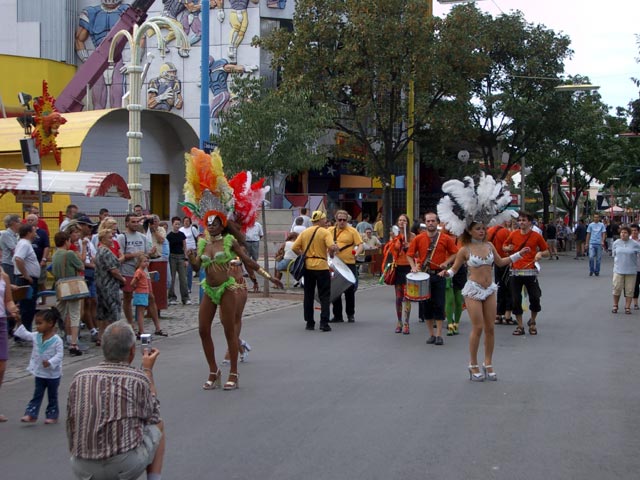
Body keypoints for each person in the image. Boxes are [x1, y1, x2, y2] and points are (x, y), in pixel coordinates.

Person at [188, 216, 282, 390]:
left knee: (229, 330)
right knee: (202, 329)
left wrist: (270, 278)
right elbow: (196, 268)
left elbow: (248, 261)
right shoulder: (204, 243)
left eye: (214, 224)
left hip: (227, 289)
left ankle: (233, 373)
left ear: (222, 225)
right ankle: (213, 371)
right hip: (209, 289)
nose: (210, 227)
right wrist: (191, 258)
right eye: (208, 224)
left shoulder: (229, 241)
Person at [67, 321, 166, 480]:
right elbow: (153, 414)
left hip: (82, 465)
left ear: (103, 348)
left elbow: (71, 424)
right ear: (132, 351)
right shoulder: (137, 378)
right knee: (158, 424)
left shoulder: (79, 377)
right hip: (123, 466)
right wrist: (147, 370)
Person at [441, 222, 530, 381]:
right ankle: (473, 364)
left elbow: (501, 262)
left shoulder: (489, 246)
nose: (482, 231)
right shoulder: (465, 249)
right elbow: (453, 270)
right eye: (478, 229)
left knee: (490, 328)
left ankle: (488, 363)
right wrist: (446, 273)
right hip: (473, 290)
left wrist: (518, 255)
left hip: (489, 289)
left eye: (483, 228)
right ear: (469, 231)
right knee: (478, 327)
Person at [406, 212, 459, 345]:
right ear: (425, 223)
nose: (430, 223)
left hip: (439, 275)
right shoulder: (419, 238)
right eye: (428, 221)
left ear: (437, 222)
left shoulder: (445, 238)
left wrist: (446, 264)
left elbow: (455, 253)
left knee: (439, 304)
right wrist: (413, 267)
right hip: (424, 275)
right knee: (426, 306)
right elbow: (409, 254)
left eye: (433, 221)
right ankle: (431, 334)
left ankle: (439, 335)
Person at [13, 308, 64, 423]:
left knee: (52, 396)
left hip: (53, 375)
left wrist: (50, 362)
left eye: (40, 323)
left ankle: (52, 415)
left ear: (50, 323)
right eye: (36, 323)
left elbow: (60, 355)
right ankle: (31, 414)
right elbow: (25, 334)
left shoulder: (57, 340)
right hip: (40, 373)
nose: (37, 326)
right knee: (37, 394)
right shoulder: (36, 336)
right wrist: (18, 321)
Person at [503, 212, 550, 336]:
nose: (521, 222)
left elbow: (546, 251)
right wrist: (508, 249)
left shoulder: (536, 236)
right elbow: (504, 246)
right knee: (515, 300)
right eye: (520, 220)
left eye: (524, 220)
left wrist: (540, 254)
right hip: (515, 271)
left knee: (535, 297)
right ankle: (520, 326)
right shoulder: (513, 234)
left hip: (530, 270)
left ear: (530, 222)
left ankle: (533, 321)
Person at [117, 214, 165, 334]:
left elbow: (146, 254)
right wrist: (134, 255)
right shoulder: (122, 237)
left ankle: (157, 327)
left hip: (143, 271)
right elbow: (120, 256)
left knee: (150, 297)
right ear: (127, 223)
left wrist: (149, 253)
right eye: (133, 222)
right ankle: (131, 324)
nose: (136, 224)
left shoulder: (142, 237)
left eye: (137, 221)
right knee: (128, 297)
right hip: (128, 271)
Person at [291, 211, 339, 332]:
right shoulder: (325, 232)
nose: (326, 221)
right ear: (321, 220)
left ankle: (309, 322)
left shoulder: (305, 232)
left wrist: (303, 255)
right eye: (324, 220)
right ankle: (324, 323)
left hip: (308, 267)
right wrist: (333, 253)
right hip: (322, 267)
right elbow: (331, 247)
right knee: (324, 296)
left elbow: (294, 247)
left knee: (308, 295)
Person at [51, 231, 85, 356]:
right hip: (71, 286)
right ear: (66, 241)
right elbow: (81, 266)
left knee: (58, 312)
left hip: (60, 286)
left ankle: (51, 338)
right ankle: (73, 343)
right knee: (74, 314)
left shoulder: (55, 255)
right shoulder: (69, 253)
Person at [328, 210, 363, 323]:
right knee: (335, 289)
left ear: (347, 220)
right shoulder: (330, 230)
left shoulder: (352, 231)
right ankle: (337, 315)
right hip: (335, 264)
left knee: (349, 290)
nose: (342, 222)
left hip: (349, 263)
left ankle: (350, 314)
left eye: (344, 220)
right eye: (340, 220)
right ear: (336, 220)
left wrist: (356, 253)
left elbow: (360, 245)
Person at [385, 214, 415, 334]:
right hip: (398, 267)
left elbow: (416, 253)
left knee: (407, 296)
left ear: (408, 222)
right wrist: (394, 243)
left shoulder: (412, 236)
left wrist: (409, 247)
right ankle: (399, 321)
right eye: (400, 220)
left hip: (408, 268)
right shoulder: (395, 236)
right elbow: (391, 252)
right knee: (398, 297)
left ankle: (407, 323)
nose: (402, 222)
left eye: (404, 220)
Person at [94, 230, 126, 345]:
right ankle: (115, 338)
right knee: (113, 311)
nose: (111, 240)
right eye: (109, 238)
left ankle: (101, 336)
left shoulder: (99, 251)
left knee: (103, 313)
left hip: (100, 285)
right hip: (109, 285)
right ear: (102, 239)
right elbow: (113, 270)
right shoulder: (105, 251)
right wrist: (122, 279)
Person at [0, 265, 19, 422]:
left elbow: (8, 300)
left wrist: (13, 310)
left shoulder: (3, 276)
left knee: (1, 367)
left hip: (1, 323)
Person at [13, 224, 41, 332]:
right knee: (27, 308)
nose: (35, 234)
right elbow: (18, 259)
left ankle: (25, 330)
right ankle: (23, 332)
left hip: (27, 278)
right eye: (34, 231)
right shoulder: (24, 244)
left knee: (28, 307)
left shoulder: (25, 244)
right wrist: (26, 276)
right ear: (29, 233)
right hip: (25, 280)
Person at [488, 218, 515, 325]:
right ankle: (507, 315)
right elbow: (512, 247)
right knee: (509, 289)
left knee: (499, 287)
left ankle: (498, 314)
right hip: (506, 262)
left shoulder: (490, 230)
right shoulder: (506, 232)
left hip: (495, 262)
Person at [611, 226, 640, 314]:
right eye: (622, 233)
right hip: (618, 269)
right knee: (616, 288)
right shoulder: (616, 243)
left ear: (629, 234)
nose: (623, 234)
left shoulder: (635, 244)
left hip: (631, 270)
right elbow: (614, 255)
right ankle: (615, 305)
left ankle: (627, 307)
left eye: (625, 233)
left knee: (630, 290)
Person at [26, 214, 50, 305]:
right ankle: (32, 299)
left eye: (32, 220)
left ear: (37, 221)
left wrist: (43, 259)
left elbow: (46, 246)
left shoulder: (42, 233)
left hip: (39, 261)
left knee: (41, 282)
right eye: (28, 220)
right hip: (28, 263)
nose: (30, 222)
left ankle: (44, 300)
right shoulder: (25, 233)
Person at [166, 217, 190, 305]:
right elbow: (167, 248)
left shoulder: (181, 235)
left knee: (183, 278)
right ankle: (172, 297)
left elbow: (184, 247)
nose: (177, 226)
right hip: (172, 257)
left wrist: (186, 258)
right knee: (171, 278)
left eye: (178, 224)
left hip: (181, 257)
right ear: (172, 224)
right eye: (175, 224)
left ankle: (185, 297)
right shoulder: (169, 236)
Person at [180, 216, 200, 293]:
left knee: (189, 270)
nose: (186, 222)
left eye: (187, 221)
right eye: (185, 221)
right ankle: (184, 286)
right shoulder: (181, 229)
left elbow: (198, 238)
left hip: (192, 252)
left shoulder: (193, 229)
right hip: (184, 251)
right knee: (184, 270)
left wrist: (198, 248)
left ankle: (188, 287)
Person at [0, 214, 20, 283]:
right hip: (8, 264)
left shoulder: (15, 235)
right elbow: (14, 250)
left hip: (13, 264)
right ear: (13, 223)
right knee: (10, 284)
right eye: (19, 222)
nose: (20, 224)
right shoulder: (6, 234)